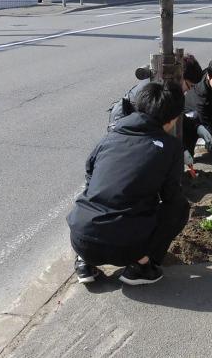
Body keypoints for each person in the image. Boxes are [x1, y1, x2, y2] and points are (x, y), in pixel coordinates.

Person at [67, 82, 190, 285]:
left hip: (81, 237)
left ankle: (85, 261)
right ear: (172, 119)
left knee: (94, 196)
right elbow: (171, 197)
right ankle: (141, 265)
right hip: (125, 247)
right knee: (179, 208)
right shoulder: (170, 147)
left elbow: (90, 177)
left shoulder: (110, 137)